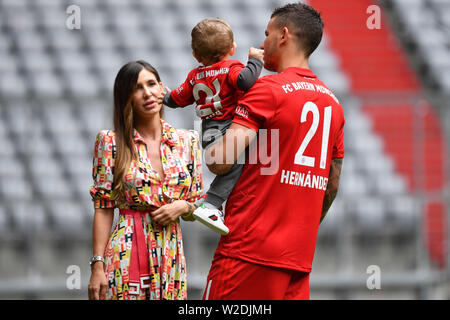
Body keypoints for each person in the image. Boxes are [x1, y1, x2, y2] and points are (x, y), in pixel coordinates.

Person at [202, 3, 345, 300]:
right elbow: (331, 185)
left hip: (247, 253)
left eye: (266, 34)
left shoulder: (267, 89)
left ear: (283, 35)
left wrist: (206, 134)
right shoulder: (334, 105)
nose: (261, 43)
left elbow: (221, 161)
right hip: (297, 258)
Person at [87, 60, 203, 300]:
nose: (147, 92)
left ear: (162, 88)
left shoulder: (188, 141)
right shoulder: (110, 142)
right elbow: (104, 207)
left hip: (171, 253)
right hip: (126, 251)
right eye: (137, 87)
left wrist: (183, 207)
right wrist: (97, 265)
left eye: (151, 84)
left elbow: (199, 202)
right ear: (126, 96)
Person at [162, 17, 264, 235]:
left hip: (208, 130)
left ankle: (213, 205)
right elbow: (245, 81)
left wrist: (165, 96)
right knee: (238, 163)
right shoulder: (231, 68)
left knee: (239, 163)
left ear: (196, 55)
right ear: (232, 48)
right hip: (229, 126)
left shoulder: (194, 76)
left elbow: (177, 100)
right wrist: (255, 61)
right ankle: (210, 204)